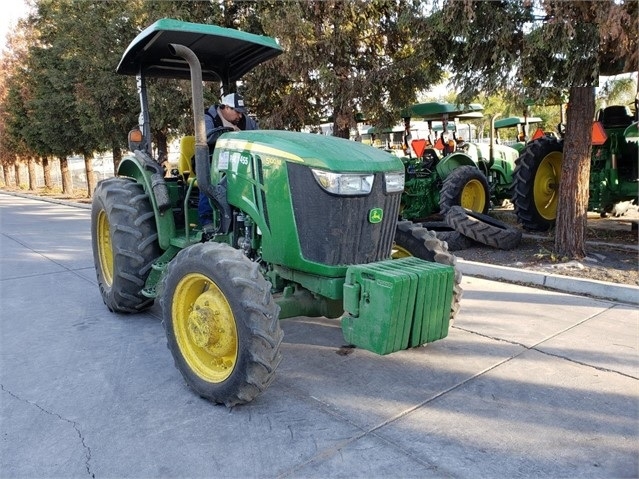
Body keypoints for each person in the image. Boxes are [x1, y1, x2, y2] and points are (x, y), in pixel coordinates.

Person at [199, 93, 258, 231]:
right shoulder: (208, 117)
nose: (240, 116)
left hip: (236, 160)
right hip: (210, 159)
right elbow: (206, 137)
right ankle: (207, 218)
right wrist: (228, 132)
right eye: (237, 112)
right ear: (225, 107)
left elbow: (256, 133)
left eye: (242, 112)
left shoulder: (244, 121)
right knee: (208, 178)